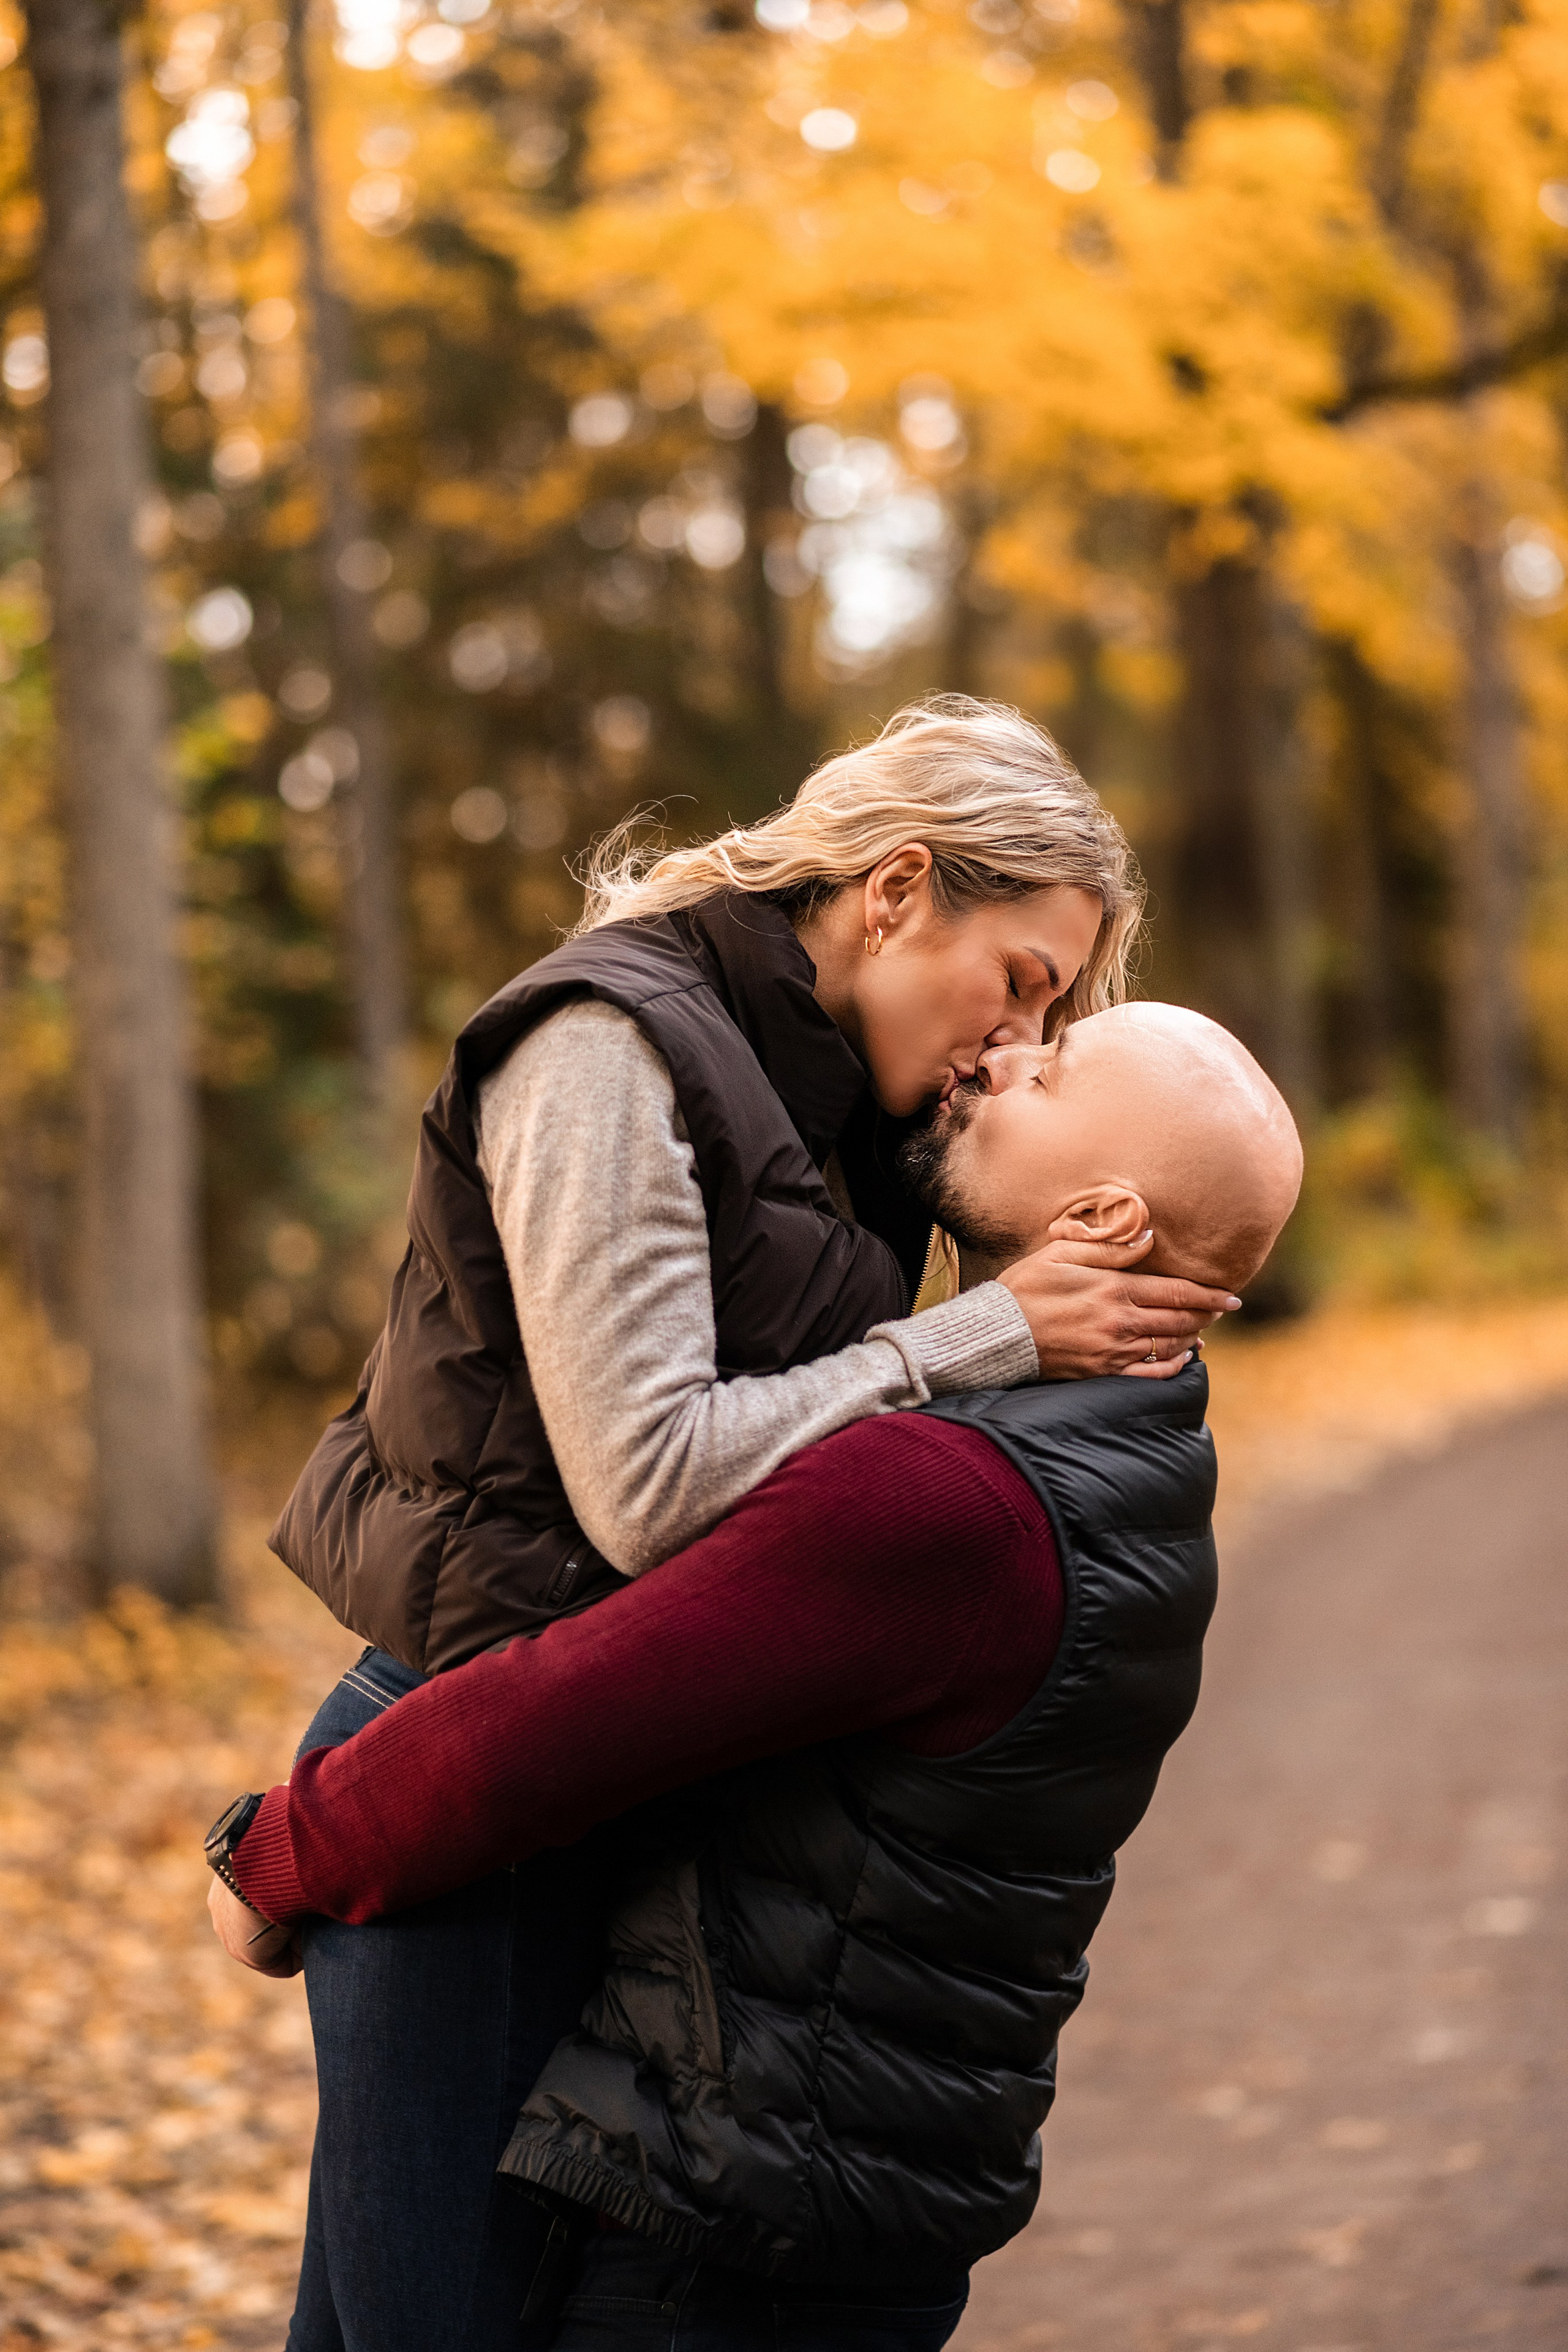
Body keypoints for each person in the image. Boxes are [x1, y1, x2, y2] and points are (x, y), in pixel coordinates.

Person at [226, 698, 1237, 2352]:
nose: (1008, 1045)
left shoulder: (852, 1099)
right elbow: (649, 1488)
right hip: (460, 1776)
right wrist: (988, 1332)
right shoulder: (604, 1048)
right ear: (899, 888)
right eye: (1023, 986)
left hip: (597, 1762)